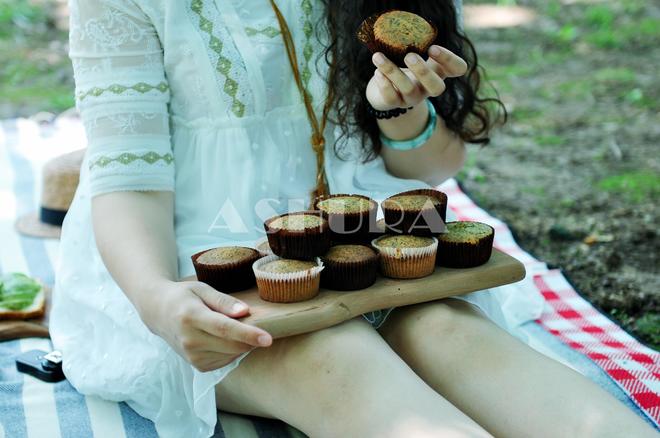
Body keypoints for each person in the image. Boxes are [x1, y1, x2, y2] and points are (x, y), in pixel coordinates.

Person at [51, 0, 656, 437]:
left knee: (450, 334)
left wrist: (401, 113)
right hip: (195, 265)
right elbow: (129, 181)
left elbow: (436, 164)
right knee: (329, 355)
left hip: (370, 244)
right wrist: (157, 298)